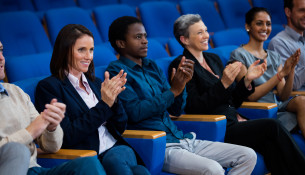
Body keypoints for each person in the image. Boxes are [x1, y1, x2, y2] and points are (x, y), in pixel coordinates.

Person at [106, 16, 257, 175]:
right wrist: (173, 91)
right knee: (213, 170)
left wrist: (182, 85)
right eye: (138, 37)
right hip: (157, 146)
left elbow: (176, 110)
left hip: (181, 138)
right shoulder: (117, 71)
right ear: (121, 43)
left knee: (247, 156)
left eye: (145, 36)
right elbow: (135, 112)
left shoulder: (152, 66)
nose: (145, 41)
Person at [169, 14, 305, 175]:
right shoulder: (182, 65)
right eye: (199, 33)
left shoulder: (213, 59)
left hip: (234, 120)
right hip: (215, 127)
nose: (206, 36)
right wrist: (223, 84)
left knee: (269, 144)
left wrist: (247, 80)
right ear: (184, 39)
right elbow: (194, 106)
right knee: (272, 126)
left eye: (205, 30)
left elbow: (234, 100)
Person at [35, 24, 150, 175]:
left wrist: (114, 102)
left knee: (114, 161)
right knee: (140, 172)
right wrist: (104, 105)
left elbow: (121, 126)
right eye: (81, 50)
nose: (88, 56)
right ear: (65, 51)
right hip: (87, 156)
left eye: (91, 50)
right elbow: (67, 135)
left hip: (116, 149)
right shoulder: (49, 87)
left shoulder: (96, 83)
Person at [0, 41, 105, 175]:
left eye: (1, 50)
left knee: (88, 164)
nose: (1, 57)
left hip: (34, 170)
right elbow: (29, 135)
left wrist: (51, 128)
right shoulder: (48, 87)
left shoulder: (16, 92)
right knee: (17, 151)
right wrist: (30, 132)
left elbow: (52, 146)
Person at [231, 7, 305, 138]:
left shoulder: (274, 56)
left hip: (277, 107)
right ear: (248, 26)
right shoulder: (238, 55)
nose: (265, 28)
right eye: (259, 23)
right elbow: (251, 96)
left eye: (268, 24)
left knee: (302, 102)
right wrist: (280, 75)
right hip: (258, 111)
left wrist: (291, 69)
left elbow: (283, 95)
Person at [269, 0, 305, 91]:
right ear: (288, 12)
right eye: (302, 10)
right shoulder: (278, 43)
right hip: (297, 98)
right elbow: (293, 85)